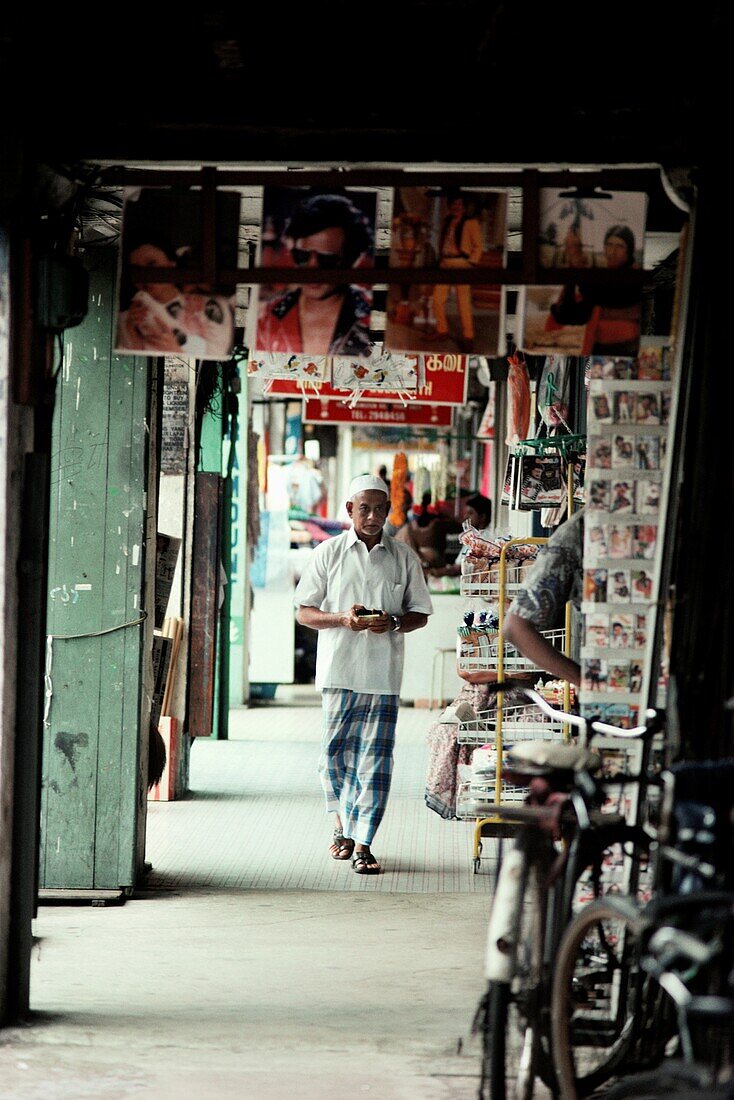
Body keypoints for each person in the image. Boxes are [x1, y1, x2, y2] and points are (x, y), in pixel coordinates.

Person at [293, 473, 433, 875]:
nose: (372, 516)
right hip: (338, 672)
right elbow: (304, 611)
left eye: (379, 508)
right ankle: (342, 826)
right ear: (349, 511)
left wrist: (391, 622)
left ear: (389, 511)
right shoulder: (329, 552)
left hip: (383, 675)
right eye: (364, 508)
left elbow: (419, 615)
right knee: (334, 757)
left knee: (376, 761)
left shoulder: (403, 557)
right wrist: (341, 618)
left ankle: (364, 843)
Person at [459, 507, 585, 689]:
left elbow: (515, 630)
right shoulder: (476, 621)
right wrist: (582, 680)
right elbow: (464, 670)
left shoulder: (575, 531)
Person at [255, 191, 375, 356]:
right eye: (303, 256)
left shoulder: (372, 316)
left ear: (352, 259)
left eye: (326, 259)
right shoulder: (267, 317)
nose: (313, 269)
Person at [549, 224, 641, 356]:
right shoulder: (602, 279)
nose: (612, 251)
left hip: (625, 348)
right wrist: (574, 271)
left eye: (620, 246)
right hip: (600, 349)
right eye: (609, 244)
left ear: (629, 251)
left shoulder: (633, 276)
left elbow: (604, 297)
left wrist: (576, 262)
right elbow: (568, 314)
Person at [426, 191, 483, 353]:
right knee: (437, 298)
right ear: (449, 206)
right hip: (445, 263)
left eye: (459, 204)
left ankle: (468, 337)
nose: (456, 207)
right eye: (453, 204)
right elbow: (442, 240)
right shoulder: (447, 221)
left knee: (463, 302)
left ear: (464, 207)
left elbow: (478, 247)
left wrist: (471, 264)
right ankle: (442, 331)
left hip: (461, 263)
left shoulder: (471, 223)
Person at [425, 492, 492, 578]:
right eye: (466, 513)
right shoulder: (474, 537)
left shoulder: (485, 539)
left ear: (482, 517)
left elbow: (458, 568)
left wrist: (435, 572)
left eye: (470, 513)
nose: (465, 516)